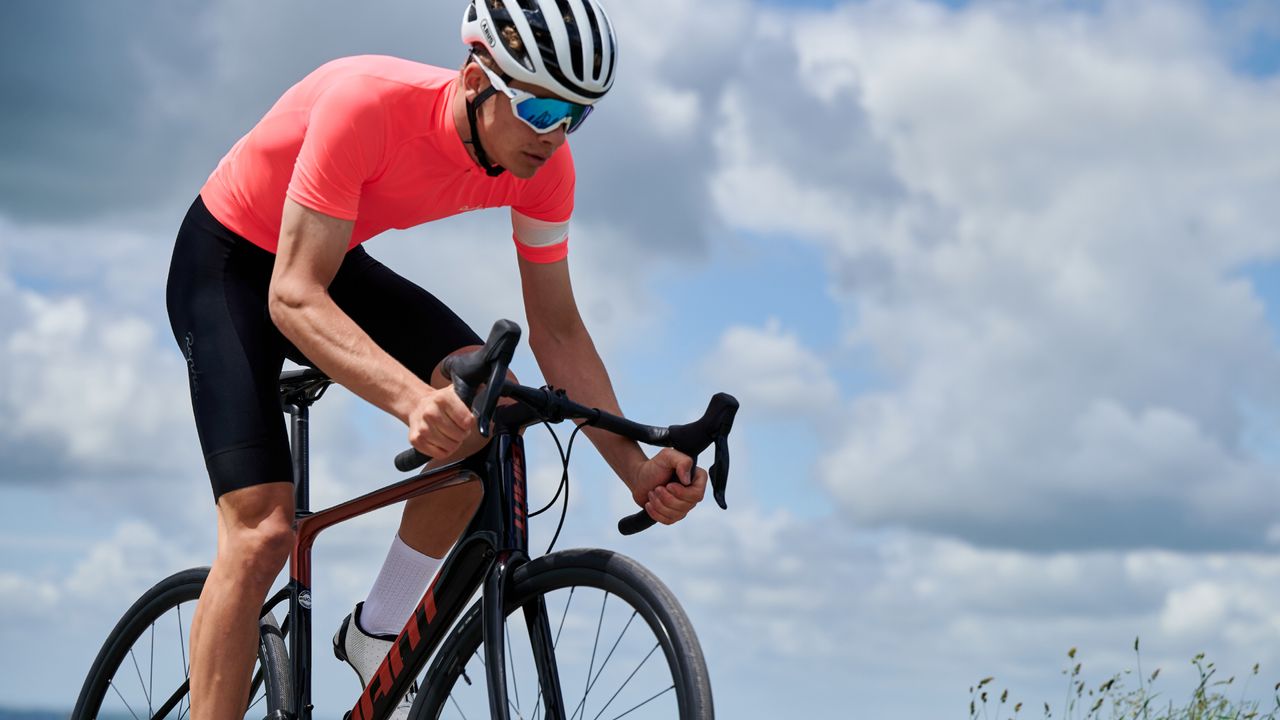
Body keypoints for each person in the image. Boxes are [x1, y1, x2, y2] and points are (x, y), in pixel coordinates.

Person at [164, 1, 708, 718]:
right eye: (542, 108)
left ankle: (377, 632)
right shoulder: (367, 104)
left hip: (332, 256)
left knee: (491, 412)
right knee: (263, 531)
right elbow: (293, 296)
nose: (556, 136)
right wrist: (411, 400)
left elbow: (560, 332)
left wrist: (636, 465)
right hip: (231, 263)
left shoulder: (545, 167)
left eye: (578, 116)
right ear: (478, 77)